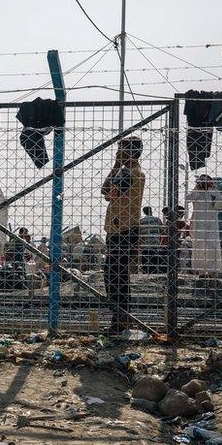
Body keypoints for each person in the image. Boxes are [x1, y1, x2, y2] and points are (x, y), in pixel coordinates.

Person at [101, 137, 145, 335]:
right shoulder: (126, 172)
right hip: (120, 229)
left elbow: (108, 192)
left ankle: (120, 318)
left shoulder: (130, 173)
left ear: (130, 153)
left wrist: (116, 165)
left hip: (123, 230)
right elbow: (107, 191)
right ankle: (120, 319)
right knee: (117, 275)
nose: (118, 154)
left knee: (115, 275)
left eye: (121, 150)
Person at [186, 175, 222, 277]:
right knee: (199, 247)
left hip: (211, 225)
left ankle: (213, 271)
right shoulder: (196, 192)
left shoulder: (214, 192)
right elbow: (188, 198)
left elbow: (221, 205)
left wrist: (214, 199)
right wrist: (198, 191)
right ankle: (201, 272)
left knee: (212, 247)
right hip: (199, 225)